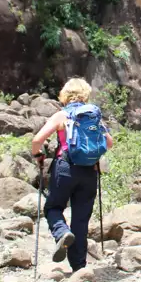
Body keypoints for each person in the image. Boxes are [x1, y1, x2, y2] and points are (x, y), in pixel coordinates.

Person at [31, 78, 113, 271]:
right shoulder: (94, 117)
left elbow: (37, 140)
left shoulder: (62, 115)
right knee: (81, 219)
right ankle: (79, 267)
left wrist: (38, 154)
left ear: (64, 95)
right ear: (85, 94)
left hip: (65, 167)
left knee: (53, 208)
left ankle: (61, 232)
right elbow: (109, 143)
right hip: (89, 171)